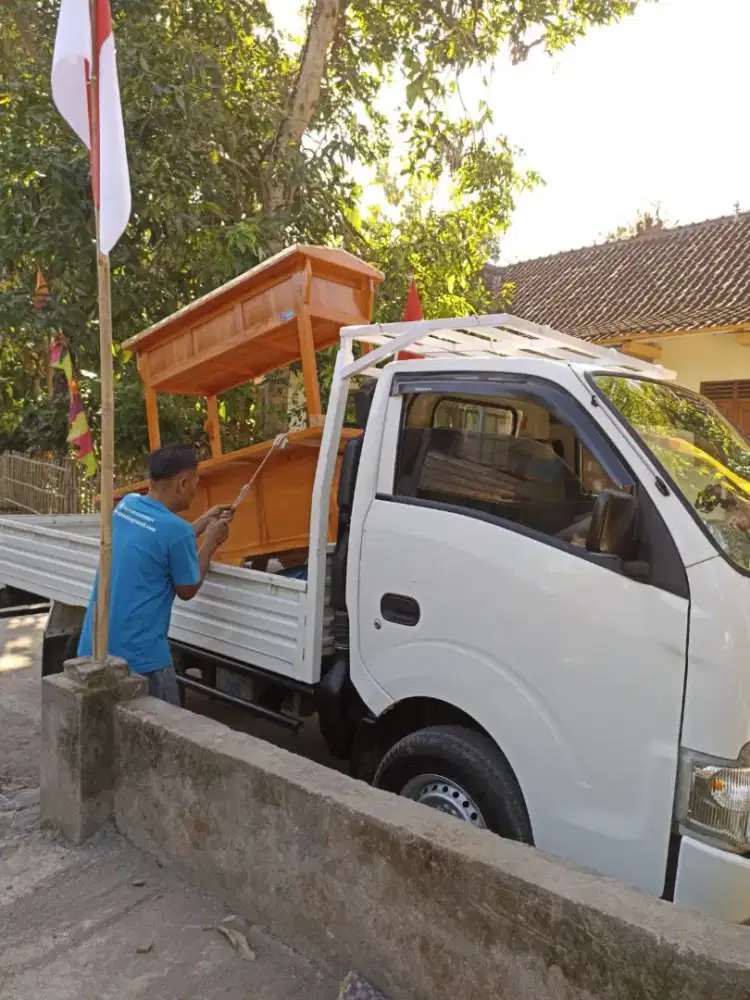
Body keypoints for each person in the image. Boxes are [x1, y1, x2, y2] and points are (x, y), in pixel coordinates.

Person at [77, 444, 232, 704]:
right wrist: (212, 542)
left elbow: (157, 541)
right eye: (195, 482)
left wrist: (203, 522)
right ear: (182, 483)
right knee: (164, 733)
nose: (196, 488)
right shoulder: (176, 531)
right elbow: (188, 588)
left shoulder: (128, 505)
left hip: (96, 644)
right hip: (142, 660)